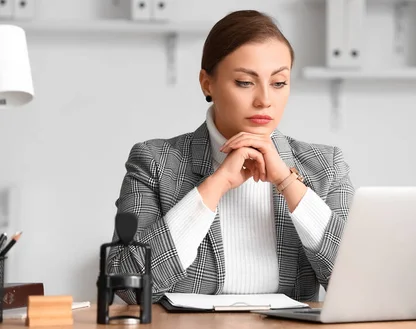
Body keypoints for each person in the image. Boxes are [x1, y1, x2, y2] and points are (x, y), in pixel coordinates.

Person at [107, 9, 355, 304]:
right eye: (245, 82)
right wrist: (216, 184)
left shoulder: (326, 166)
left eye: (278, 83)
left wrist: (287, 182)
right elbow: (126, 286)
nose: (265, 100)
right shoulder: (155, 161)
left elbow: (362, 281)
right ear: (207, 83)